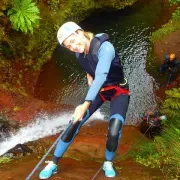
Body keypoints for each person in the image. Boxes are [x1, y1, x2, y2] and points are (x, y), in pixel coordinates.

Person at [39, 21, 130, 179]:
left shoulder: (105, 48)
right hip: (100, 90)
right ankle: (53, 163)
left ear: (80, 33)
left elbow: (101, 76)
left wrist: (84, 105)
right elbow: (90, 66)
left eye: (73, 41)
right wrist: (88, 74)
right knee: (73, 123)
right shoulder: (78, 53)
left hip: (118, 90)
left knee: (115, 129)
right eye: (68, 46)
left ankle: (108, 162)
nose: (73, 47)